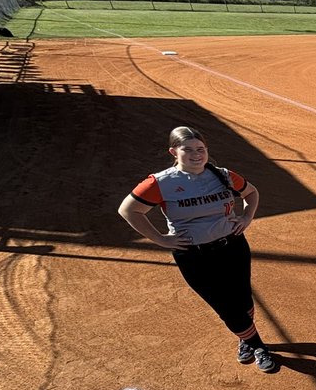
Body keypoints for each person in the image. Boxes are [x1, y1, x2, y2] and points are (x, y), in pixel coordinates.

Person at [118, 125, 279, 373]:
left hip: (233, 246)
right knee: (224, 305)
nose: (196, 154)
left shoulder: (223, 175)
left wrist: (247, 217)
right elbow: (128, 210)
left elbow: (251, 193)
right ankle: (258, 345)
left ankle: (245, 339)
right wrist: (160, 239)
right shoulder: (161, 183)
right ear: (173, 152)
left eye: (200, 149)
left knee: (242, 297)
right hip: (193, 255)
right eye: (188, 149)